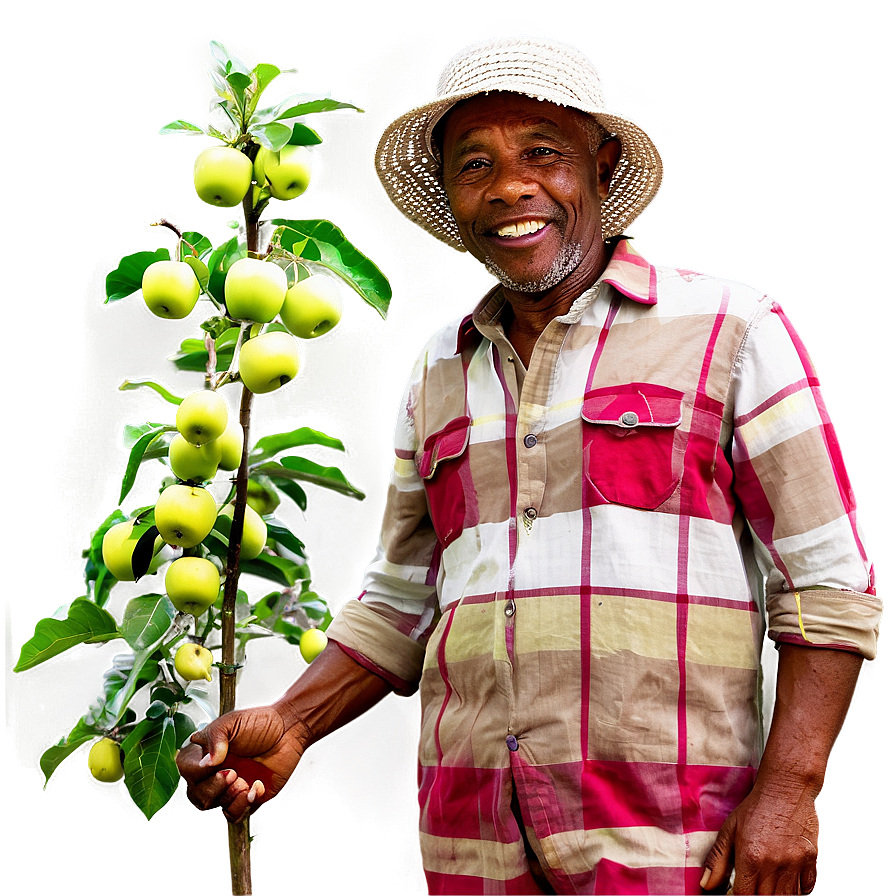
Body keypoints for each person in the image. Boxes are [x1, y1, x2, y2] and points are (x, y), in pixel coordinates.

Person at [177, 33, 882, 895]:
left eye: (541, 153)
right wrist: (289, 720)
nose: (510, 186)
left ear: (601, 164)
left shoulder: (730, 330)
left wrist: (791, 786)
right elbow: (403, 600)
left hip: (671, 847)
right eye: (475, 165)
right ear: (451, 195)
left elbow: (828, 580)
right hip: (469, 847)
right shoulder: (440, 370)